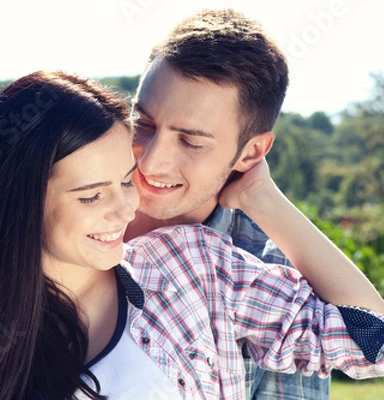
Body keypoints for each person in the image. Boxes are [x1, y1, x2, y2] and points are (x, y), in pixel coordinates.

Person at [0, 70, 384, 400]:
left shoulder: (190, 267)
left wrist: (264, 198)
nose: (124, 208)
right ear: (20, 203)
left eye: (125, 179)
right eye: (91, 196)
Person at [123, 8, 328, 399]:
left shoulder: (274, 278)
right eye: (144, 124)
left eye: (191, 142)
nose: (150, 160)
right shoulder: (62, 213)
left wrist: (263, 198)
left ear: (251, 153)